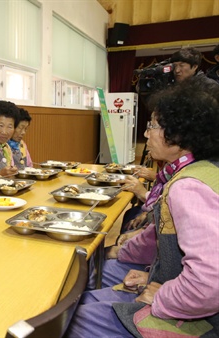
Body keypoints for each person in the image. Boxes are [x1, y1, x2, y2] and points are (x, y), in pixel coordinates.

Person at [65, 76, 219, 337]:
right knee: (86, 292)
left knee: (75, 314)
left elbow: (209, 281)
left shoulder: (187, 187)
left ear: (179, 132)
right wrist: (148, 274)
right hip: (172, 285)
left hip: (202, 322)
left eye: (153, 125)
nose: (146, 133)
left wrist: (163, 296)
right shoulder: (201, 170)